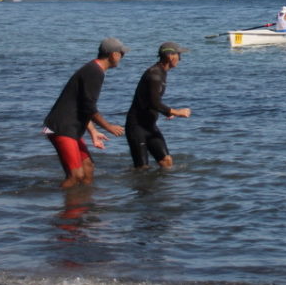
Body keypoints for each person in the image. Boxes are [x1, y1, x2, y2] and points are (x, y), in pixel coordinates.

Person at [43, 37, 127, 188]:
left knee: (87, 168)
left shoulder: (93, 69)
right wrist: (108, 127)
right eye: (122, 54)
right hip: (61, 127)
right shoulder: (95, 72)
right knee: (75, 176)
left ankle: (83, 205)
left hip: (71, 128)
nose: (122, 57)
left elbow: (82, 105)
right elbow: (89, 107)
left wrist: (93, 132)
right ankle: (56, 208)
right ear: (114, 54)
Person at [125, 41, 192, 170]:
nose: (181, 59)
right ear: (170, 56)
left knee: (166, 161)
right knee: (142, 169)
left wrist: (166, 112)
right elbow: (154, 102)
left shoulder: (161, 72)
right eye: (179, 55)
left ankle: (162, 189)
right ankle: (139, 188)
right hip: (136, 126)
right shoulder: (154, 75)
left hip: (150, 125)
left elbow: (151, 100)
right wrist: (176, 112)